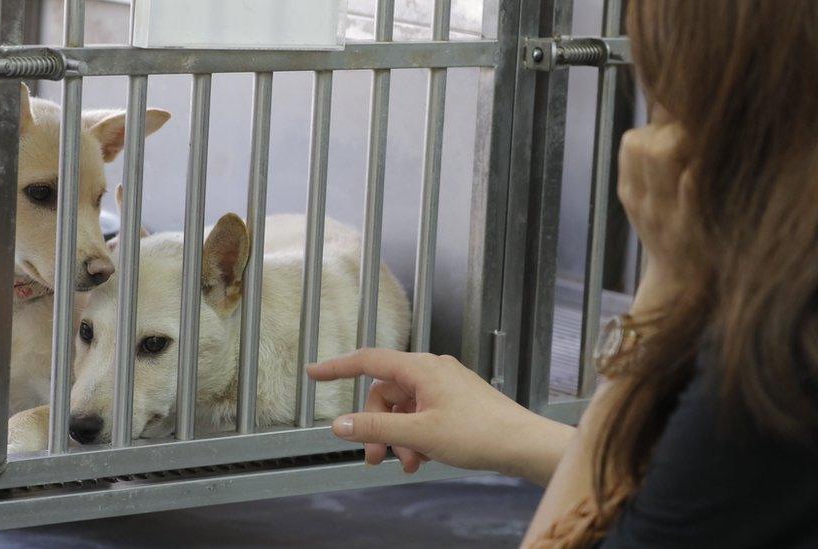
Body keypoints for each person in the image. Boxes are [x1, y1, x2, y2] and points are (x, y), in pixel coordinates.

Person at [306, 1, 818, 546]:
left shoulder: (774, 362)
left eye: (663, 101)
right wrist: (511, 435)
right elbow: (718, 488)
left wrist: (667, 281)